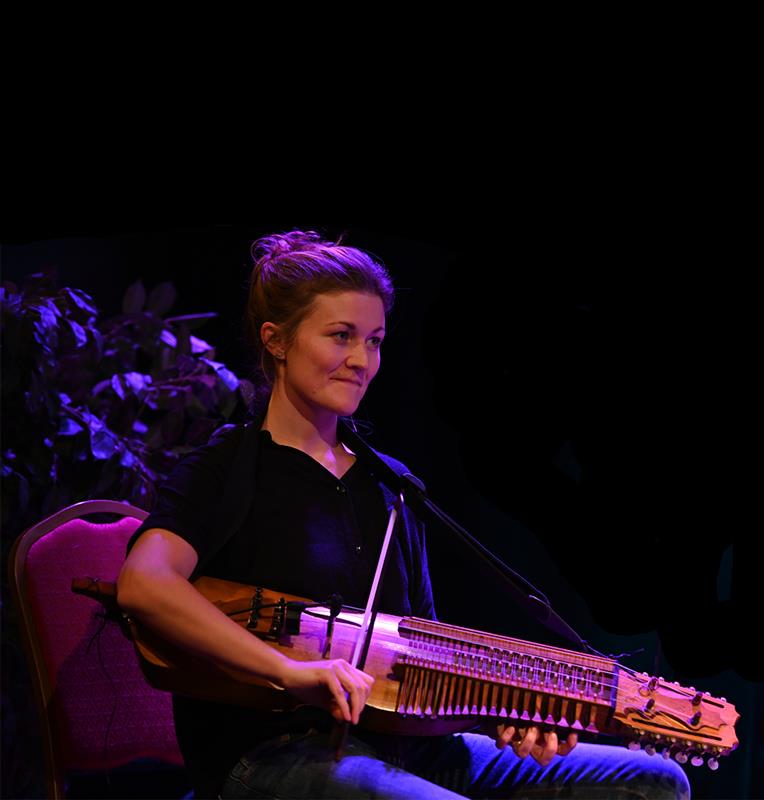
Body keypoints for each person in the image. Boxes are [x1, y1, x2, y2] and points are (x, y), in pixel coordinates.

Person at [117, 230, 691, 799]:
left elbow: (417, 673)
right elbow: (144, 584)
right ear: (277, 341)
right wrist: (288, 670)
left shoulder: (391, 483)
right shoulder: (223, 469)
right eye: (341, 337)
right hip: (276, 754)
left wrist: (506, 717)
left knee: (654, 780)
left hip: (408, 750)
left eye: (375, 340)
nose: (362, 361)